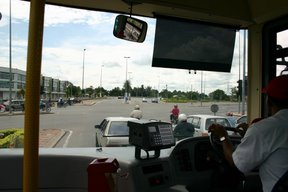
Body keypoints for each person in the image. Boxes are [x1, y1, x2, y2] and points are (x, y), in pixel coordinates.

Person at [208, 75, 288, 192]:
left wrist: (223, 137)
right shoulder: (264, 130)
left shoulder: (264, 128)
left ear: (269, 102)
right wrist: (248, 135)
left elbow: (236, 165)